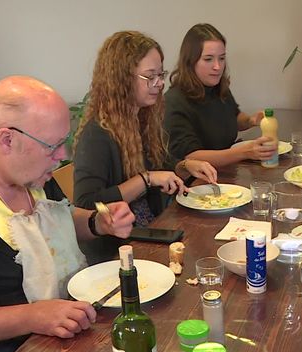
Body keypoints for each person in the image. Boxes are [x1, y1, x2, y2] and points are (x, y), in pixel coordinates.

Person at [0, 76, 135, 352]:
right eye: (53, 147)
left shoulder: (29, 169)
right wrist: (33, 316)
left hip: (67, 327)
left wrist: (98, 223)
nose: (61, 157)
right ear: (7, 139)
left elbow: (55, 222)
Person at [74, 31, 217, 224]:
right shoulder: (97, 134)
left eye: (160, 74)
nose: (160, 83)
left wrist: (185, 165)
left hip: (152, 226)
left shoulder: (141, 118)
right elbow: (86, 205)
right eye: (150, 76)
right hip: (119, 243)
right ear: (122, 79)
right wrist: (146, 179)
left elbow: (159, 165)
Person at [164, 23, 276, 168]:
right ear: (190, 61)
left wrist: (250, 120)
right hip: (197, 181)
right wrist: (244, 152)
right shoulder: (174, 101)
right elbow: (191, 157)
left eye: (221, 58)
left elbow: (233, 117)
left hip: (227, 171)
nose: (217, 66)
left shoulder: (218, 87)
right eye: (208, 59)